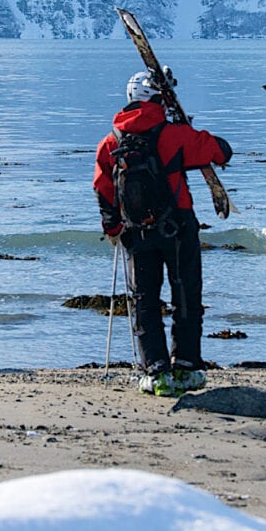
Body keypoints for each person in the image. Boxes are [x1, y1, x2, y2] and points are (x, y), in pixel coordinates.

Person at [94, 69, 232, 397]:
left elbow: (103, 188)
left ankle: (155, 372)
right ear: (161, 99)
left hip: (135, 232)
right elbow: (221, 152)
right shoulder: (175, 135)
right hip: (178, 227)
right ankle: (186, 366)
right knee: (186, 298)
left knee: (144, 302)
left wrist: (112, 227)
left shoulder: (111, 140)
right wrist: (189, 130)